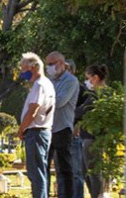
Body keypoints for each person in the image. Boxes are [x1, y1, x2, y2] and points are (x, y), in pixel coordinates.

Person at [17, 52, 55, 198]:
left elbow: (33, 110)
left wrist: (21, 129)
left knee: (36, 173)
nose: (22, 71)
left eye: (23, 67)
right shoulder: (47, 84)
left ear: (33, 67)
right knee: (39, 172)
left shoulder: (40, 85)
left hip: (36, 132)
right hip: (41, 132)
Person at [44, 51, 79, 198]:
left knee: (65, 169)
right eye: (47, 65)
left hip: (62, 129)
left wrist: (44, 100)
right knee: (44, 166)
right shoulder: (49, 81)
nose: (49, 67)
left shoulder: (70, 81)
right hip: (47, 128)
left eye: (51, 64)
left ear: (60, 63)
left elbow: (60, 101)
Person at [75, 64, 109, 198]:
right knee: (86, 171)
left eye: (88, 78)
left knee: (93, 172)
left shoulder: (98, 94)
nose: (86, 82)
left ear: (95, 78)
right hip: (88, 136)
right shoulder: (96, 93)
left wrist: (70, 108)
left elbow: (81, 111)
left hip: (93, 137)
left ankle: (97, 195)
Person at [66, 59, 85, 198]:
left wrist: (78, 126)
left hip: (75, 136)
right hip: (60, 135)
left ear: (72, 71)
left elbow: (87, 111)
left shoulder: (81, 89)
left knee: (77, 172)